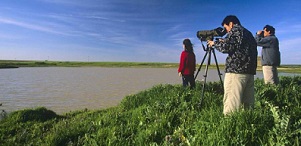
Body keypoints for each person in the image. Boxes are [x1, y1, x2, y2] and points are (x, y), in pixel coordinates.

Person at [207, 15, 258, 115]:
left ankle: (229, 126)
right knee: (248, 106)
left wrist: (214, 44)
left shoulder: (236, 30)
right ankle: (247, 124)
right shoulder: (247, 33)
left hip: (236, 72)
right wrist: (224, 41)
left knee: (231, 104)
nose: (226, 31)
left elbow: (228, 47)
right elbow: (239, 46)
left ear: (231, 24)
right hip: (249, 72)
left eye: (226, 28)